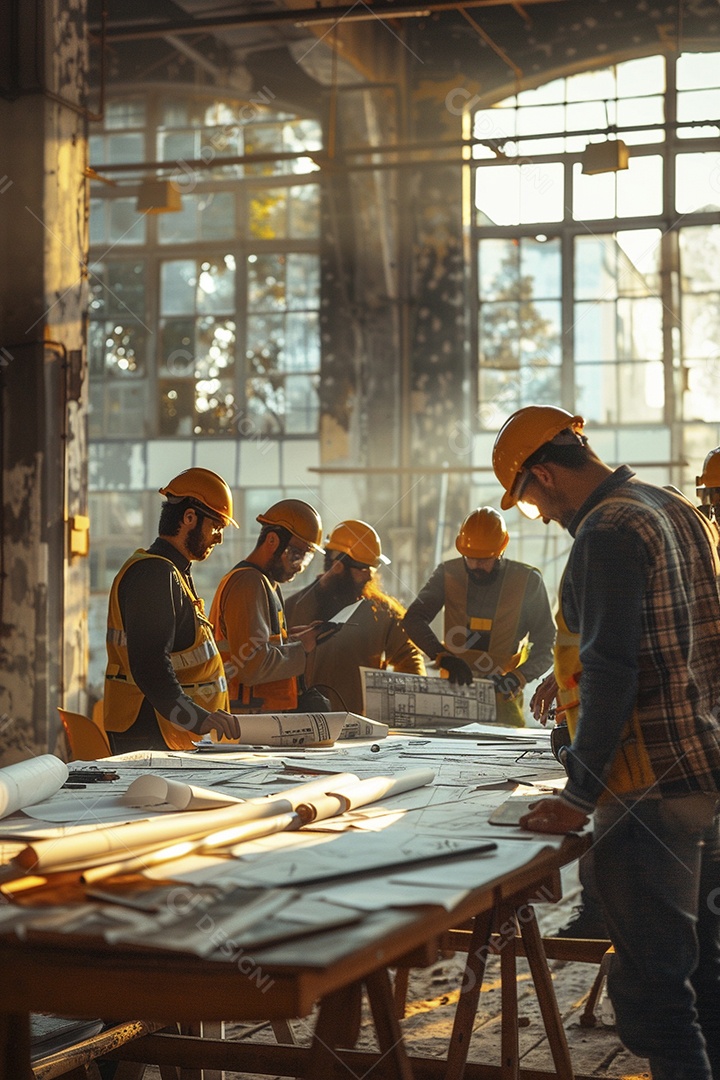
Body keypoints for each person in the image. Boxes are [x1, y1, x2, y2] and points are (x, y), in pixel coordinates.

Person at [493, 404, 720, 1080]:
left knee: (656, 999)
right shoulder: (676, 507)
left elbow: (611, 668)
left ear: (544, 474)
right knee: (704, 978)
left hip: (647, 788)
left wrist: (578, 794)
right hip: (704, 771)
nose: (541, 516)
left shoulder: (605, 530)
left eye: (529, 501)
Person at [103, 468, 242, 752]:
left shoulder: (172, 573)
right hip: (154, 732)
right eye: (216, 527)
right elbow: (150, 667)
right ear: (189, 518)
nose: (219, 539)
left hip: (168, 732)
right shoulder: (154, 575)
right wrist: (197, 720)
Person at [401, 506, 555, 726]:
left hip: (503, 696)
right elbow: (413, 619)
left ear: (501, 550)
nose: (475, 565)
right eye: (470, 558)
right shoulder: (447, 574)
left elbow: (546, 645)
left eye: (484, 559)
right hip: (453, 692)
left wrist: (518, 677)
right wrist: (442, 656)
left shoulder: (528, 581)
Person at [285, 520, 426, 714]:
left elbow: (409, 659)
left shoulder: (383, 612)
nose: (369, 576)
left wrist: (408, 706)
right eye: (363, 569)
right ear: (338, 566)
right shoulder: (293, 608)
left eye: (373, 569)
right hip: (306, 723)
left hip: (362, 725)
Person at [208, 499, 325, 713]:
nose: (299, 567)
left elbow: (256, 647)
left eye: (306, 558)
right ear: (272, 540)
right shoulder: (248, 583)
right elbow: (252, 666)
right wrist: (301, 647)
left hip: (256, 717)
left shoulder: (266, 583)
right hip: (244, 718)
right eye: (296, 555)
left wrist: (290, 640)